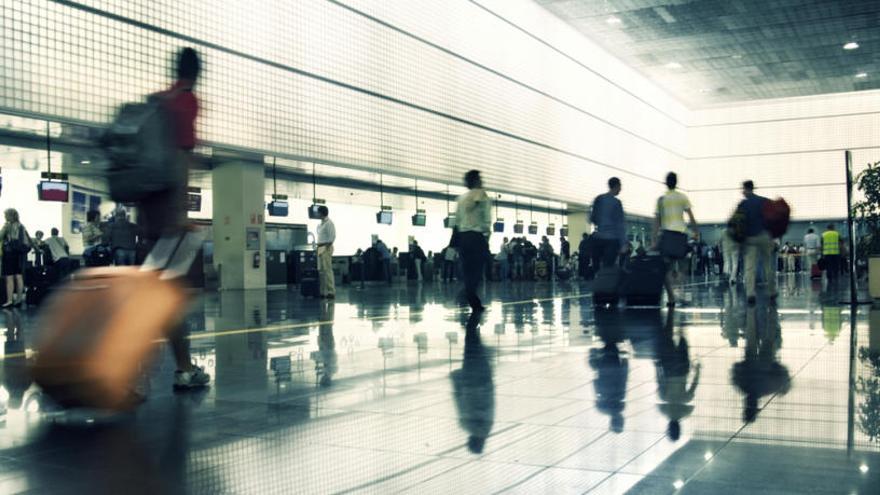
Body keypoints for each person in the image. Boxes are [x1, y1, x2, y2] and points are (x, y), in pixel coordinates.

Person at [137, 47, 208, 389]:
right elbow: (183, 158)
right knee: (173, 294)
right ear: (197, 73)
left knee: (158, 291)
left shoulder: (157, 100)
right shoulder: (186, 101)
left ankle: (180, 367)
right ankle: (175, 370)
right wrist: (181, 212)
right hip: (169, 215)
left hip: (148, 212)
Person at [653, 172, 697, 307]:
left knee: (666, 268)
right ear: (676, 182)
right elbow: (691, 217)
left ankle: (671, 297)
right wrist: (695, 231)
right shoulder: (683, 197)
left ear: (666, 183)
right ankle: (680, 292)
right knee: (683, 266)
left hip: (667, 236)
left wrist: (654, 239)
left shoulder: (661, 199)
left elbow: (657, 220)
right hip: (681, 235)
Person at [454, 170, 491, 313]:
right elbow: (486, 219)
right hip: (476, 237)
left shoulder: (460, 199)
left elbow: (457, 221)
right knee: (477, 270)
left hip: (463, 238)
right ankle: (469, 294)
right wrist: (487, 236)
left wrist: (455, 243)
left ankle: (472, 299)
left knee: (467, 270)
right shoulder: (482, 194)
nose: (482, 181)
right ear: (476, 180)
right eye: (480, 178)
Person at [737, 181, 776, 305]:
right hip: (764, 236)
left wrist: (740, 240)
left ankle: (750, 293)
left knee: (750, 266)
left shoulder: (743, 204)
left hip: (750, 238)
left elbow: (739, 223)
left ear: (746, 189)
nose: (742, 191)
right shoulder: (765, 201)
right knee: (768, 264)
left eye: (742, 189)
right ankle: (771, 291)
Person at [590, 177, 626, 269]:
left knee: (597, 268)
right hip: (612, 240)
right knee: (608, 267)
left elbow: (592, 218)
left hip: (598, 239)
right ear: (617, 186)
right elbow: (620, 224)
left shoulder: (599, 199)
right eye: (620, 186)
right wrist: (623, 244)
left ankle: (597, 281)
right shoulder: (616, 202)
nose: (620, 189)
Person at [0, 209, 31, 308]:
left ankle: (9, 300)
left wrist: (4, 228)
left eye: (6, 215)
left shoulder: (8, 225)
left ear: (10, 216)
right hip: (19, 254)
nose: (5, 217)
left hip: (9, 254)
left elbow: (0, 237)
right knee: (18, 276)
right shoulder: (21, 226)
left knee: (9, 278)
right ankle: (19, 299)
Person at [316, 205, 336, 299]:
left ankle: (331, 291)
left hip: (326, 248)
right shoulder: (320, 225)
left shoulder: (329, 223)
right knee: (322, 271)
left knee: (327, 270)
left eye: (318, 212)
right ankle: (323, 291)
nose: (317, 214)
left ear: (322, 213)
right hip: (320, 248)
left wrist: (326, 247)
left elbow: (332, 237)